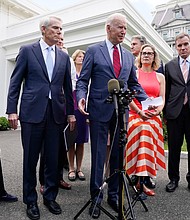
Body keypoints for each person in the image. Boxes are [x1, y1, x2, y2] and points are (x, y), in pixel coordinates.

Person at [76, 13, 148, 219]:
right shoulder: (93, 51)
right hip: (98, 110)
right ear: (108, 28)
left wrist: (148, 101)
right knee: (99, 155)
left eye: (125, 28)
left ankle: (114, 196)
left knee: (118, 156)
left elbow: (133, 83)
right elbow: (83, 81)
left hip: (121, 111)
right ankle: (96, 198)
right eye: (120, 28)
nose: (124, 31)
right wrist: (81, 97)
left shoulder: (127, 55)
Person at [6, 16, 76, 220]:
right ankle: (30, 200)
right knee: (30, 159)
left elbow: (67, 88)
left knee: (53, 159)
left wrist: (70, 113)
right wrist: (12, 110)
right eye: (55, 28)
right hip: (31, 113)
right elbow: (15, 82)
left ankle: (50, 196)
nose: (59, 32)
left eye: (61, 29)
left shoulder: (64, 56)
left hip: (56, 114)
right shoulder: (27, 51)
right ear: (43, 30)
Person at [125, 44, 166, 198]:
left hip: (153, 115)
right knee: (143, 129)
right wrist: (138, 111)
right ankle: (140, 181)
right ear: (139, 56)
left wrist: (158, 111)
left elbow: (162, 99)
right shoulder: (134, 73)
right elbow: (128, 97)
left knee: (148, 129)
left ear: (154, 56)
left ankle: (142, 179)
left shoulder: (160, 77)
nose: (146, 56)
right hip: (134, 113)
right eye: (144, 53)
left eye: (150, 53)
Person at [39, 34, 72, 193]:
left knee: (59, 147)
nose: (60, 42)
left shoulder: (65, 59)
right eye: (57, 40)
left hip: (62, 109)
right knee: (46, 149)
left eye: (62, 41)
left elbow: (69, 84)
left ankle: (58, 177)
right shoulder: (44, 57)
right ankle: (44, 180)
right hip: (46, 108)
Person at [164, 33, 190, 193]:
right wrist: (166, 113)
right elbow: (166, 91)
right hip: (175, 113)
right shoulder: (170, 66)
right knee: (174, 147)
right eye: (179, 45)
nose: (183, 48)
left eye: (186, 44)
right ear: (175, 47)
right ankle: (173, 179)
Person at [67, 49, 89, 181]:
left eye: (83, 56)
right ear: (74, 59)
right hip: (72, 106)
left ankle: (79, 168)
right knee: (71, 140)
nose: (81, 58)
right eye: (79, 56)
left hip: (84, 109)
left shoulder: (87, 73)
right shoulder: (70, 72)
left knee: (81, 141)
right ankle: (71, 168)